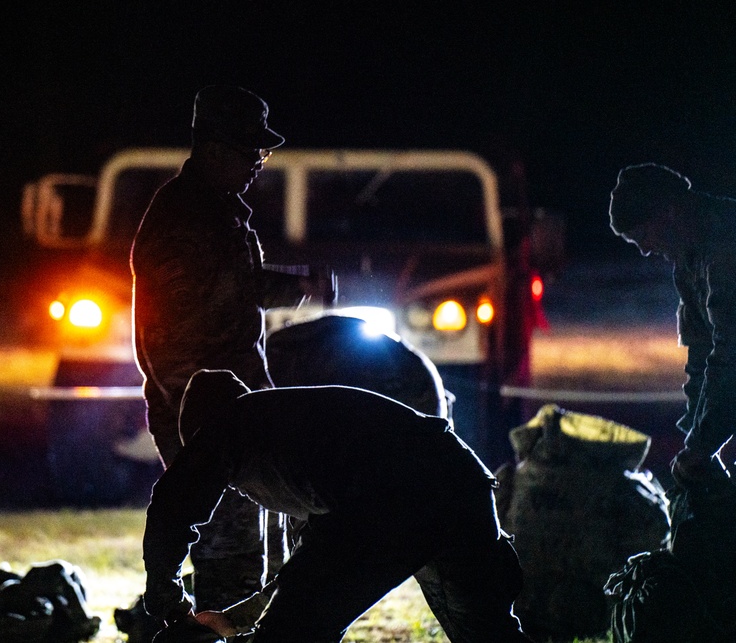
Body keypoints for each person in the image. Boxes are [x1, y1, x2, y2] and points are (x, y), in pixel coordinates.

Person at [130, 85, 336, 614]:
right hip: (206, 416)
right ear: (216, 149)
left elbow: (237, 287)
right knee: (229, 553)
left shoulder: (219, 213)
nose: (258, 165)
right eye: (252, 153)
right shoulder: (181, 221)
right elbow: (168, 341)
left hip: (237, 409)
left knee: (252, 545)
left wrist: (299, 287)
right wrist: (202, 431)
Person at [143, 369, 532, 643]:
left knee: (291, 635)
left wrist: (166, 596)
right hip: (461, 479)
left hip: (391, 499)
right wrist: (230, 620)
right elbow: (313, 567)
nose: (237, 491)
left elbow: (172, 505)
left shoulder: (230, 425)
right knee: (488, 634)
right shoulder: (298, 441)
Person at [609, 163, 736, 485]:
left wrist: (702, 445)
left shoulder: (725, 247)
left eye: (642, 235)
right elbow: (701, 354)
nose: (645, 249)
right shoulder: (689, 261)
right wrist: (696, 439)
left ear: (670, 212)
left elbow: (730, 355)